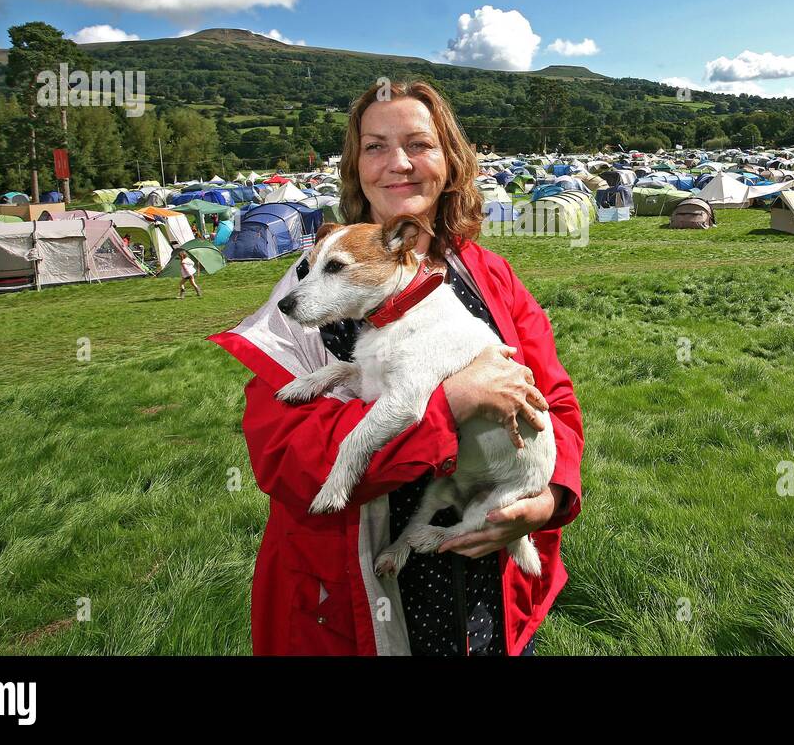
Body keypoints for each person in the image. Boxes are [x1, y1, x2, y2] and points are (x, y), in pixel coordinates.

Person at [211, 79, 584, 656]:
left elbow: (555, 402)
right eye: (375, 146)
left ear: (449, 160)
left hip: (484, 596)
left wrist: (546, 501)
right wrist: (449, 405)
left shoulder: (489, 277)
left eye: (419, 144)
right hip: (348, 603)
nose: (399, 163)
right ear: (355, 165)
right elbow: (282, 458)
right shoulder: (307, 298)